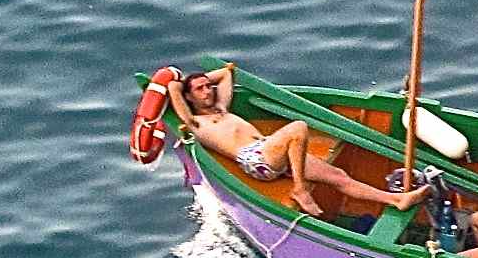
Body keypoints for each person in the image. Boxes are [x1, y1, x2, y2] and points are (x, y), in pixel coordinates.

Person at [169, 66, 429, 229]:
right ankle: (300, 189)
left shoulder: (222, 108)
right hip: (255, 160)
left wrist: (203, 78)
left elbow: (227, 72)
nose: (207, 91)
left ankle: (397, 199)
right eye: (200, 89)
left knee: (338, 177)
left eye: (208, 86)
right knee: (298, 128)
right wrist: (176, 81)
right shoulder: (195, 122)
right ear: (189, 97)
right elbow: (172, 88)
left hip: (270, 150)